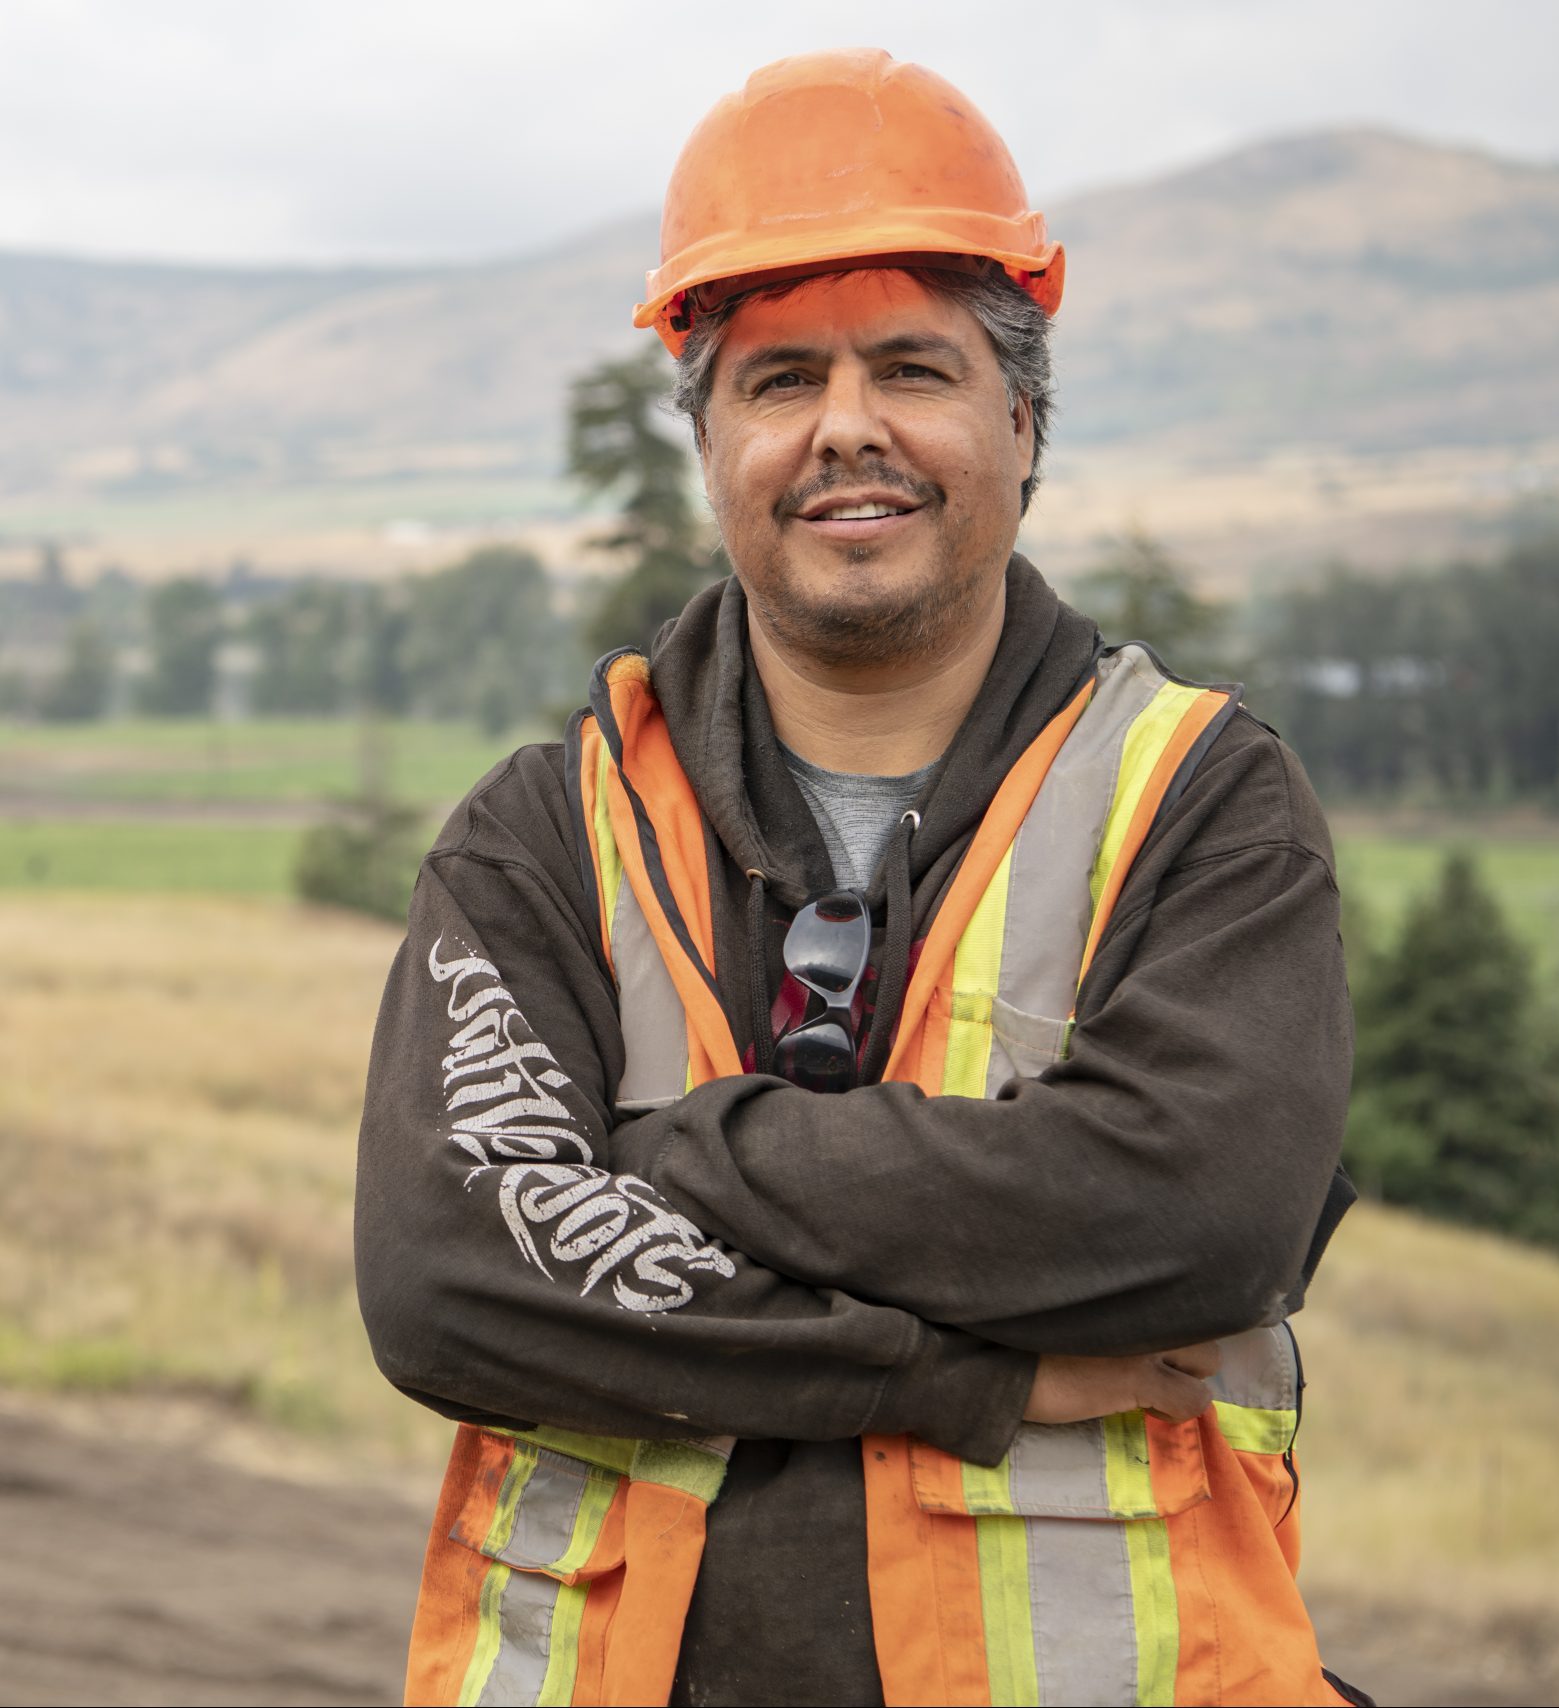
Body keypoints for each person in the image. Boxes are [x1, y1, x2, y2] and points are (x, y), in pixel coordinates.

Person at [356, 48, 1366, 1708]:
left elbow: (1192, 1223)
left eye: (913, 366)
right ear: (709, 446)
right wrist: (956, 1370)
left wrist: (667, 1152)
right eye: (778, 381)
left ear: (1021, 424)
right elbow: (450, 1282)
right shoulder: (544, 836)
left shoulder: (1199, 802)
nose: (848, 430)